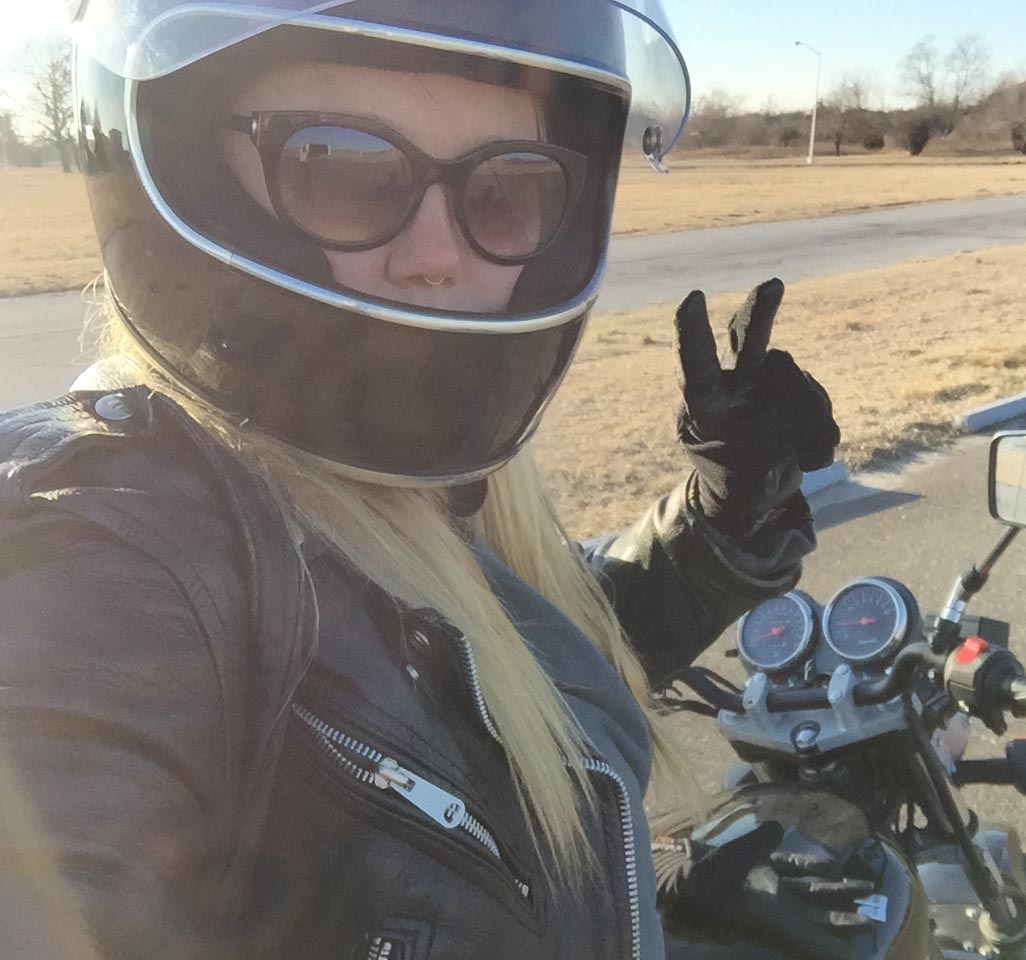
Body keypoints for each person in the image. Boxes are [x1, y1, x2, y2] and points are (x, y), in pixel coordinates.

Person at [0, 2, 844, 959]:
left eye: (508, 187)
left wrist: (713, 534)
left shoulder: (419, 501)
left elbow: (482, 676)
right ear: (193, 171)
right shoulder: (100, 555)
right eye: (345, 169)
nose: (439, 258)